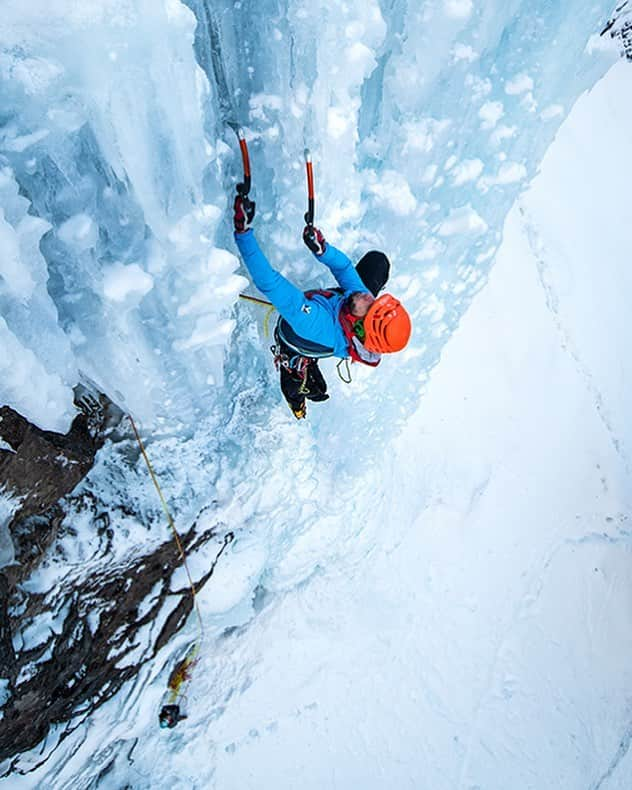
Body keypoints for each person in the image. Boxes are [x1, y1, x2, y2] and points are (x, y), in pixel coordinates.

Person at [233, 193, 412, 419]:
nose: (368, 297)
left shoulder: (314, 323)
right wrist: (323, 250)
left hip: (298, 335)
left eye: (370, 307)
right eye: (374, 302)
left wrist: (243, 232)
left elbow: (269, 282)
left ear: (359, 328)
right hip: (338, 312)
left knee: (295, 385)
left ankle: (297, 403)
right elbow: (346, 269)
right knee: (377, 263)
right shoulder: (362, 305)